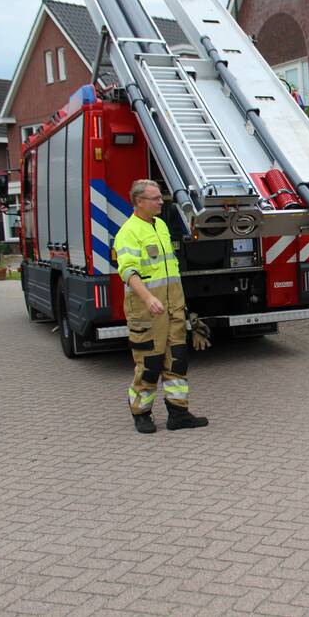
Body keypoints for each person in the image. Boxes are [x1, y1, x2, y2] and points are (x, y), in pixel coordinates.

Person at [114, 179, 208, 434]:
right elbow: (128, 271)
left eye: (160, 197)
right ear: (139, 202)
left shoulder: (162, 225)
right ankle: (141, 413)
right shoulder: (129, 232)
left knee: (177, 359)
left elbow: (169, 269)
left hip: (172, 306)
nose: (160, 201)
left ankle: (178, 413)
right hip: (146, 310)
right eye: (155, 198)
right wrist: (147, 298)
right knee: (149, 363)